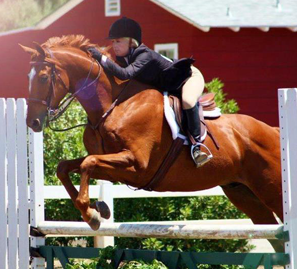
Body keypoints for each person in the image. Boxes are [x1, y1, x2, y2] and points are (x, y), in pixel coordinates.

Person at [86, 17, 211, 167]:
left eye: (118, 41)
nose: (114, 46)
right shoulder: (124, 59)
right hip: (167, 86)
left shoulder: (144, 55)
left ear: (132, 42)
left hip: (188, 78)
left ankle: (197, 146)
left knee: (188, 101)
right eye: (113, 42)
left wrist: (101, 57)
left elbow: (124, 74)